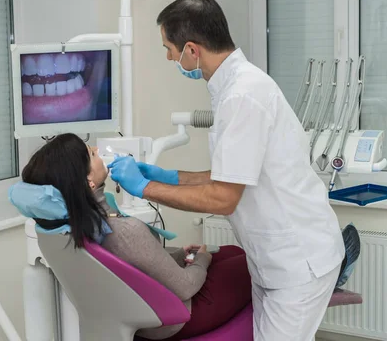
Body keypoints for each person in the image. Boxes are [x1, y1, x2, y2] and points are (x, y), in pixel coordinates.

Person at [108, 0, 346, 341]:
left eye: (169, 48)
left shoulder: (242, 96)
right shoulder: (233, 88)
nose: (168, 57)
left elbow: (223, 198)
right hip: (273, 258)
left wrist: (146, 189)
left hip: (297, 261)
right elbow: (231, 174)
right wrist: (168, 176)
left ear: (192, 49)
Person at [18, 133, 252, 340]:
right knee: (247, 261)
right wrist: (202, 259)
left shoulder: (74, 227)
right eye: (91, 153)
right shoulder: (124, 231)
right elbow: (185, 287)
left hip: (137, 315)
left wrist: (181, 255)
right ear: (89, 181)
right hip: (174, 319)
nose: (98, 150)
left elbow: (135, 268)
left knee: (229, 252)